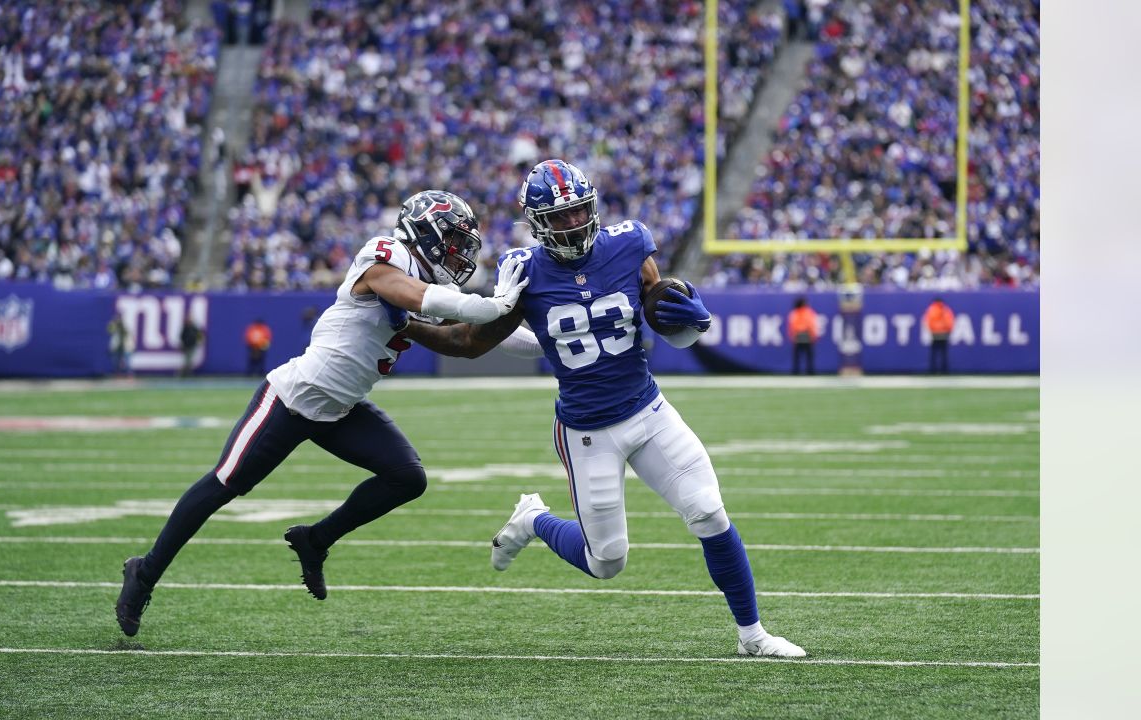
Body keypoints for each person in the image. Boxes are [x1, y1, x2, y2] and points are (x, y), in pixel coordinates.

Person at [391, 160, 805, 657]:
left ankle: (753, 636)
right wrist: (407, 325)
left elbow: (659, 306)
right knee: (606, 561)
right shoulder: (525, 269)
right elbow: (470, 342)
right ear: (538, 222)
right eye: (560, 217)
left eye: (579, 211)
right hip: (587, 430)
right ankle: (534, 518)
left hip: (648, 411)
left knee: (709, 513)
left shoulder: (630, 244)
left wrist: (690, 318)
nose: (572, 223)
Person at [116, 190, 532, 636]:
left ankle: (315, 540)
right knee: (224, 485)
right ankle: (144, 571)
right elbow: (420, 297)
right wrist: (495, 303)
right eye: (451, 241)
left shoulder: (438, 287)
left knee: (407, 478)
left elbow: (465, 341)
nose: (458, 253)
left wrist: (542, 331)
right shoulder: (384, 256)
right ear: (424, 232)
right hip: (292, 398)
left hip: (342, 409)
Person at [787, 297, 818, 375]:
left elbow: (792, 325)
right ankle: (804, 371)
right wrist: (813, 334)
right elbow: (810, 324)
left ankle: (803, 371)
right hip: (803, 334)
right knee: (804, 354)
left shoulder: (798, 312)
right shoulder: (803, 312)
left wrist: (792, 335)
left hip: (802, 334)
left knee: (803, 354)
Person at [923, 297, 955, 374]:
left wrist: (933, 330)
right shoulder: (946, 310)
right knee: (943, 353)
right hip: (944, 334)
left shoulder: (931, 310)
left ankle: (933, 370)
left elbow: (928, 322)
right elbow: (950, 322)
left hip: (935, 334)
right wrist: (947, 330)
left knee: (934, 353)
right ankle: (944, 370)